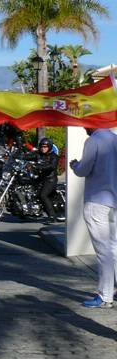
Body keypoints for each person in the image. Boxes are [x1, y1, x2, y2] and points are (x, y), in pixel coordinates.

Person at [70, 128, 117, 308]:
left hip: (97, 201)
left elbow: (83, 170)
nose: (84, 128)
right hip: (114, 200)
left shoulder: (93, 141)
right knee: (114, 247)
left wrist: (74, 165)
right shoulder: (115, 138)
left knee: (104, 251)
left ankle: (105, 296)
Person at [24, 137, 63, 222]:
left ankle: (52, 216)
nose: (43, 148)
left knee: (43, 195)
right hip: (40, 178)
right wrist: (20, 155)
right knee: (28, 188)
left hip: (50, 179)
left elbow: (51, 167)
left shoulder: (54, 156)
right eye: (42, 146)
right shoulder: (38, 154)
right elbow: (28, 156)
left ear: (49, 147)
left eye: (45, 146)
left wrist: (37, 166)